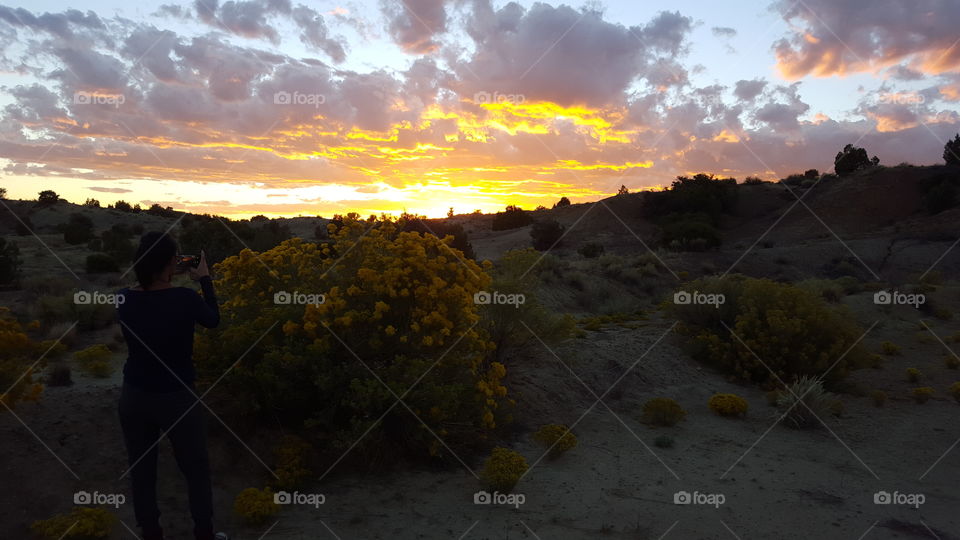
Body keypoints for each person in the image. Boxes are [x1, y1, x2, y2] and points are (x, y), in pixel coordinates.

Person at [116, 232, 228, 540]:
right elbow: (213, 320)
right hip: (177, 397)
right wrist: (204, 278)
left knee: (142, 471)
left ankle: (151, 533)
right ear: (169, 263)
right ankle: (204, 533)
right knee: (195, 469)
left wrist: (166, 271)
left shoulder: (123, 299)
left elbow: (150, 301)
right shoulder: (185, 298)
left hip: (134, 395)